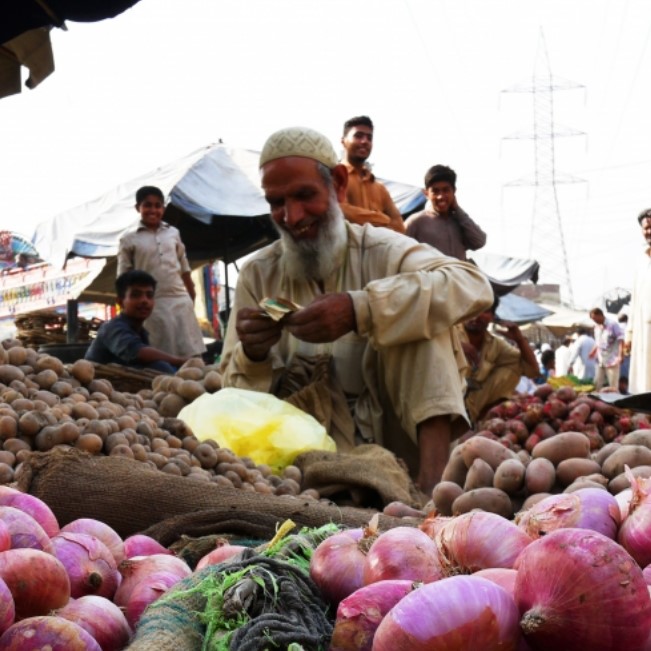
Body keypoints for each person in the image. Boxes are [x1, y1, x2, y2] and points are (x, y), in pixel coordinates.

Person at [219, 126, 493, 494]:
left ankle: (433, 490)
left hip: (396, 450)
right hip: (303, 467)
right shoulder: (259, 275)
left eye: (304, 196)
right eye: (276, 203)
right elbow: (229, 397)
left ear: (337, 183)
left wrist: (361, 309)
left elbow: (473, 285)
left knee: (421, 316)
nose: (292, 216)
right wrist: (252, 354)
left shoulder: (381, 250)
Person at [117, 186, 206, 359]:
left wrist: (190, 297)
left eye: (158, 206)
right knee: (161, 359)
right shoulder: (128, 239)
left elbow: (184, 267)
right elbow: (123, 278)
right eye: (147, 205)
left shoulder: (173, 233)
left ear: (163, 209)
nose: (153, 210)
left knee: (192, 356)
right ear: (138, 208)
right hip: (152, 304)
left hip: (180, 301)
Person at [85, 270, 190, 372]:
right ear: (120, 302)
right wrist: (179, 361)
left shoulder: (141, 332)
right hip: (100, 386)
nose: (144, 300)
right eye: (136, 295)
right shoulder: (112, 328)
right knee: (159, 366)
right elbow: (137, 352)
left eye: (149, 295)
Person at [459, 296, 540, 424]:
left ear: (492, 317)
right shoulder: (448, 333)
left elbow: (532, 371)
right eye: (472, 309)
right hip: (444, 400)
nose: (476, 315)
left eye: (484, 311)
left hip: (473, 403)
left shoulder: (496, 344)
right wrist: (457, 346)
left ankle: (476, 419)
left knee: (514, 367)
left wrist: (519, 340)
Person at [338, 116, 406, 233]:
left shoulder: (380, 188)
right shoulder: (336, 177)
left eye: (369, 138)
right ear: (343, 141)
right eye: (358, 136)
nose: (365, 141)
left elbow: (399, 227)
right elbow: (339, 210)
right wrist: (382, 219)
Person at [405, 164, 486, 261]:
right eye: (435, 191)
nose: (441, 197)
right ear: (426, 193)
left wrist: (457, 209)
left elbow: (479, 242)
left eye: (446, 190)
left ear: (454, 191)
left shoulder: (460, 220)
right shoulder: (415, 222)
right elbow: (398, 253)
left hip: (460, 275)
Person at [625, 208, 651, 393]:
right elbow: (634, 301)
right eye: (646, 228)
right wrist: (630, 334)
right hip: (644, 330)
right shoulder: (640, 262)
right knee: (645, 378)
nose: (649, 232)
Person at [589, 307, 624, 391]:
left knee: (613, 385)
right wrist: (593, 351)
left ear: (600, 315)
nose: (594, 321)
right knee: (597, 383)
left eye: (595, 318)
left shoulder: (613, 324)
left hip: (612, 359)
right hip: (600, 359)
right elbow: (598, 342)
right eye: (592, 319)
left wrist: (620, 355)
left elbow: (621, 340)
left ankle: (615, 402)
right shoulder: (596, 327)